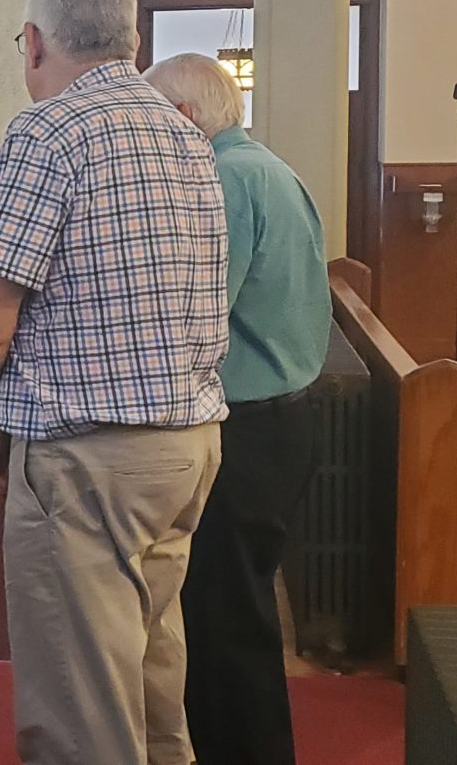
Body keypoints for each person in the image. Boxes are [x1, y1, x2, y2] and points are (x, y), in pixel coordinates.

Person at [0, 0, 228, 765]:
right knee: (150, 685)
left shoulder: (48, 132)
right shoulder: (185, 135)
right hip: (187, 448)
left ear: (33, 42)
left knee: (82, 719)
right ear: (131, 40)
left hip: (90, 463)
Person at [144, 53, 332, 765]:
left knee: (225, 622)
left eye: (155, 121)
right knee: (235, 610)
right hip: (284, 418)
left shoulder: (221, 180)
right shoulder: (269, 168)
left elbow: (196, 314)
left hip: (248, 428)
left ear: (185, 117)